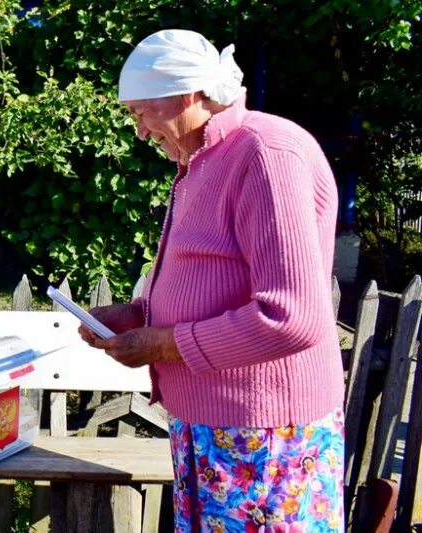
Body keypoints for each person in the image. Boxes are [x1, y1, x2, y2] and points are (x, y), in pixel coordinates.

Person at [79, 29, 345, 531]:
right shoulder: (205, 159)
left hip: (264, 434)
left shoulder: (266, 154)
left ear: (186, 94)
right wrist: (139, 316)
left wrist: (160, 344)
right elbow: (216, 281)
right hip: (217, 427)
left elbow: (290, 318)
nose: (139, 132)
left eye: (140, 113)